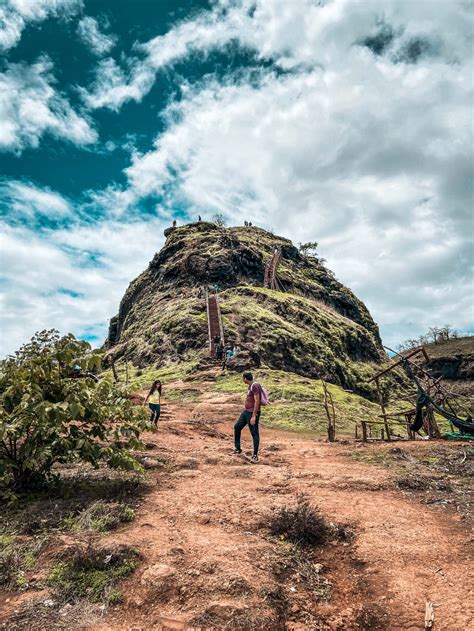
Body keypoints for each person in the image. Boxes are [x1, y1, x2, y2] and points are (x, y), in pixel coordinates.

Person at [233, 372, 263, 463]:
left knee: (254, 433)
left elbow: (257, 401)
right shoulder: (250, 386)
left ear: (245, 378)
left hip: (252, 413)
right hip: (246, 412)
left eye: (243, 378)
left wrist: (254, 416)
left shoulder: (255, 386)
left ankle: (255, 456)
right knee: (237, 427)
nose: (243, 380)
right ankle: (238, 448)